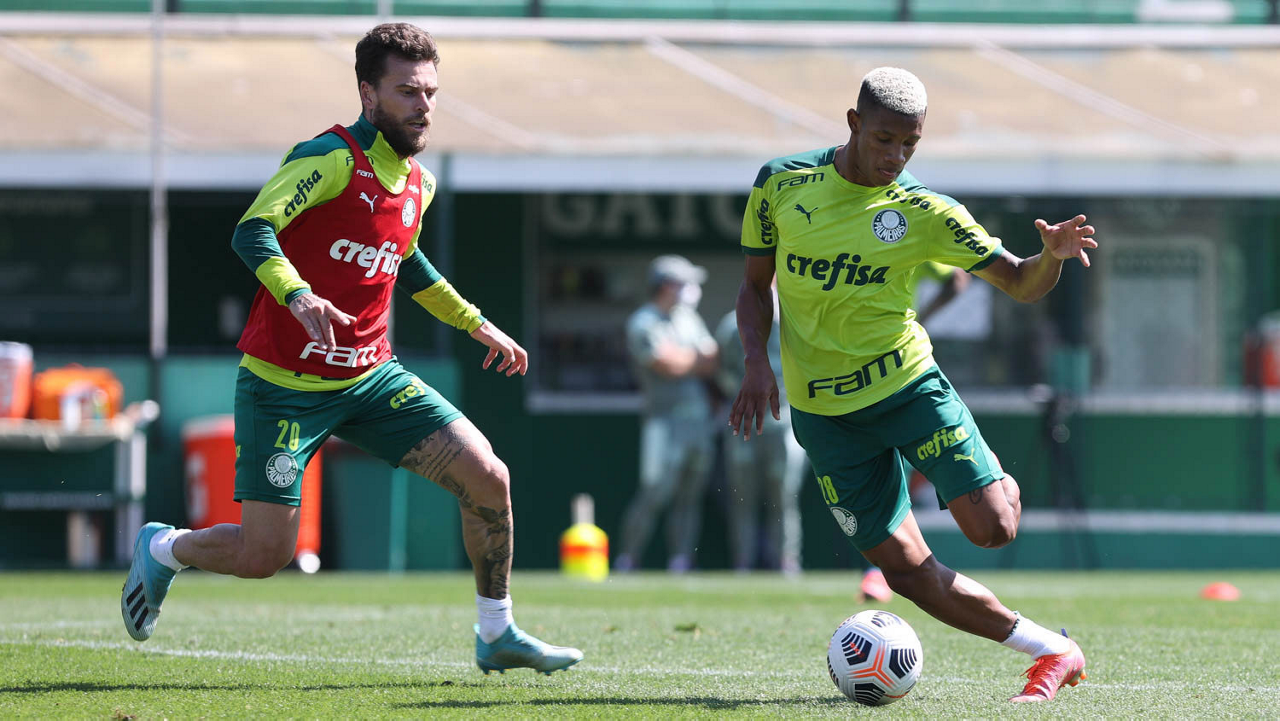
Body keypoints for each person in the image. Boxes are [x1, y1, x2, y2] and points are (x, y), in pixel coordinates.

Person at [120, 23, 582, 676]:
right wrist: (299, 296)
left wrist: (476, 323)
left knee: (489, 477)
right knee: (264, 556)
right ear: (369, 95)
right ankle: (165, 548)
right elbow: (253, 229)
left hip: (371, 380)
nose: (424, 106)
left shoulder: (418, 183)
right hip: (283, 387)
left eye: (430, 92)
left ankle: (496, 630)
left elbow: (406, 260)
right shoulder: (329, 157)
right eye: (407, 92)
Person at [729, 67, 1094, 703]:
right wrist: (756, 364)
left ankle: (994, 482)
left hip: (906, 387)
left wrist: (1051, 259)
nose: (896, 156)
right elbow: (755, 286)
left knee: (994, 530)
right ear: (853, 123)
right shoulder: (781, 183)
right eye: (884, 140)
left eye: (910, 144)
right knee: (903, 570)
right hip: (824, 415)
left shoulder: (925, 211)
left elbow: (1018, 281)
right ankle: (1052, 650)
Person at [614, 255, 718, 573]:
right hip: (662, 422)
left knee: (690, 495)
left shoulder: (689, 318)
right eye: (685, 283)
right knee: (654, 492)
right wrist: (693, 360)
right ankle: (628, 558)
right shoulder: (642, 322)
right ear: (667, 285)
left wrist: (685, 359)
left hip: (698, 421)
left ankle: (681, 560)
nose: (691, 290)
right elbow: (665, 365)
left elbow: (712, 360)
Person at [713, 279, 804, 574]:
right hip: (746, 421)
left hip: (785, 419)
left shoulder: (798, 320)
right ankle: (744, 560)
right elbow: (719, 370)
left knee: (785, 494)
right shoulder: (732, 325)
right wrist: (742, 392)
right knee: (742, 495)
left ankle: (787, 560)